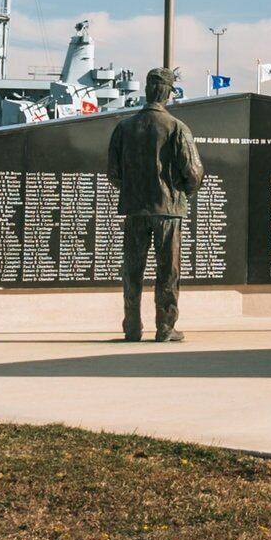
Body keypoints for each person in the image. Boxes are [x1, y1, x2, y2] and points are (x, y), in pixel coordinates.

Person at [105, 66, 205, 342]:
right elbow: (194, 172)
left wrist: (135, 189)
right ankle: (165, 327)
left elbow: (113, 173)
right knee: (168, 271)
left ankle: (132, 328)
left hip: (135, 209)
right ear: (167, 93)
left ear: (148, 89)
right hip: (168, 211)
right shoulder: (176, 128)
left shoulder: (124, 127)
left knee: (132, 270)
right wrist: (180, 194)